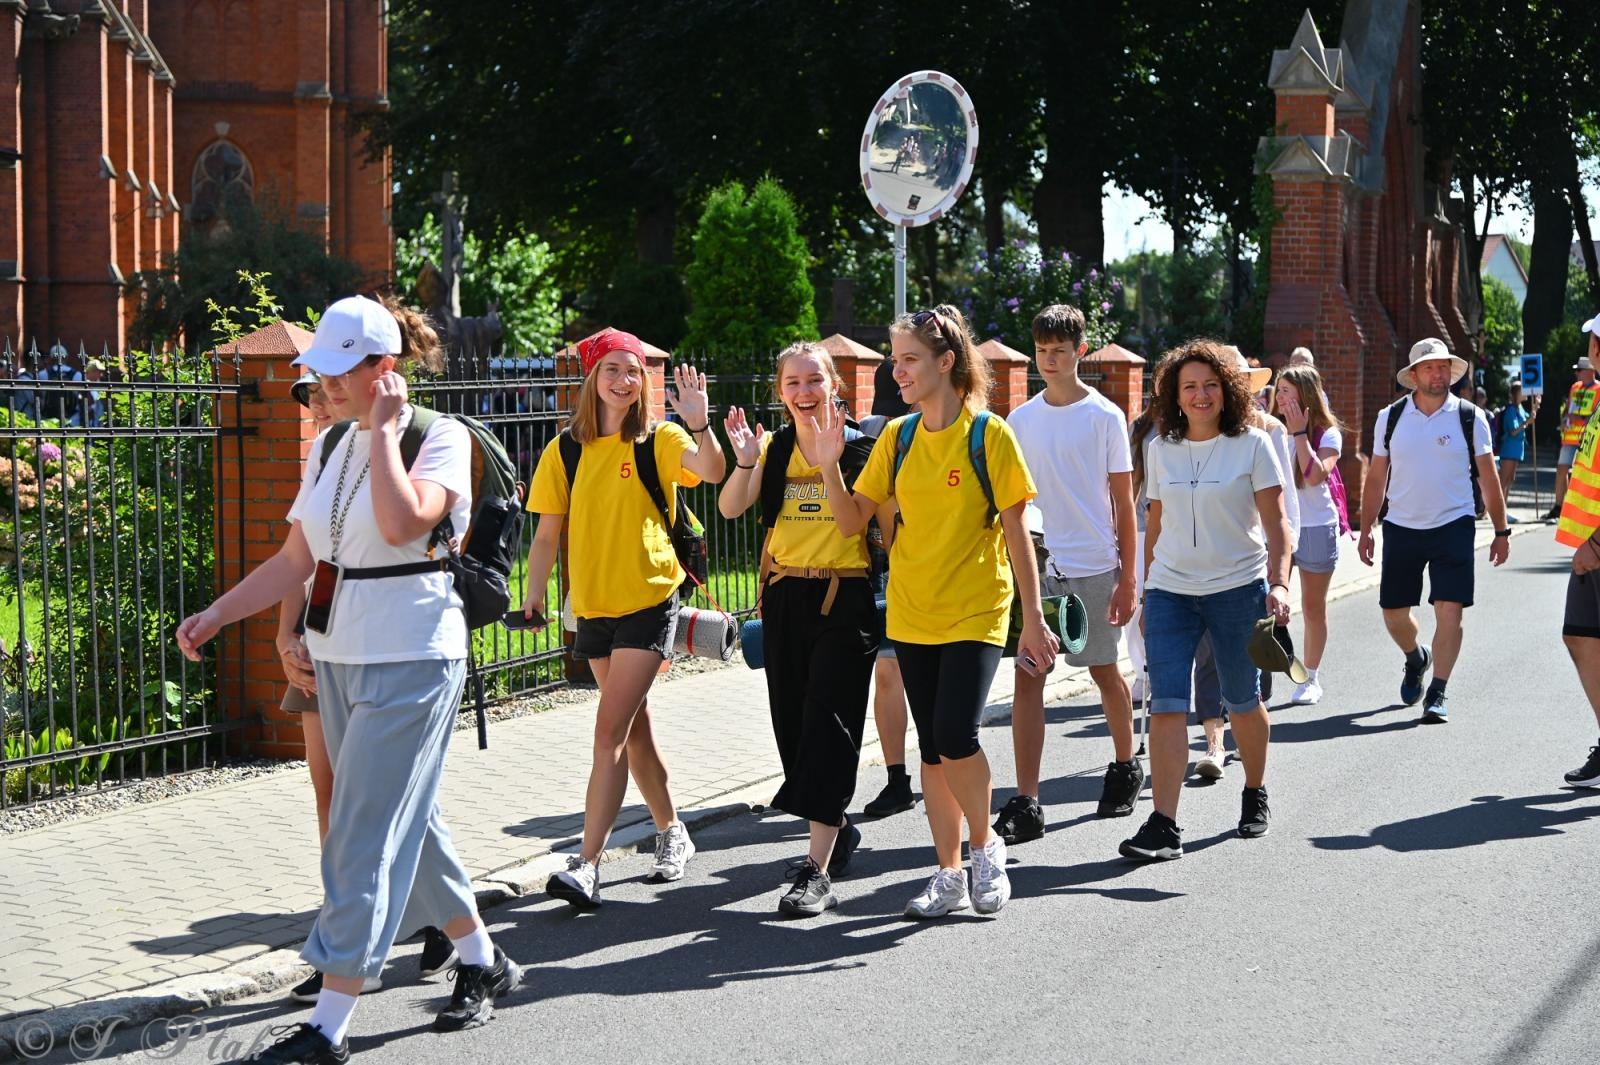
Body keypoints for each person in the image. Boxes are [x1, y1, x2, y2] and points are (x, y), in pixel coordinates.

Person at [175, 295, 521, 1063]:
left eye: (336, 373)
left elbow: (403, 527)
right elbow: (300, 558)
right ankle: (482, 960)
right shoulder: (328, 444)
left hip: (415, 654)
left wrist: (388, 433)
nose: (322, 386)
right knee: (409, 822)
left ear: (383, 370)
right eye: (317, 373)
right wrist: (219, 613)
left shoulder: (439, 437)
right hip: (338, 654)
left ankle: (328, 1023)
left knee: (359, 832)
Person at [815, 304, 1057, 918]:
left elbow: (1017, 533)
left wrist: (1033, 619)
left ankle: (985, 847)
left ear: (946, 363)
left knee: (955, 736)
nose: (897, 372)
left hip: (977, 609)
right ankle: (948, 872)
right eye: (894, 360)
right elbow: (850, 521)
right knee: (931, 749)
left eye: (909, 360)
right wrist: (826, 467)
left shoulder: (989, 435)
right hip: (912, 610)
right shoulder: (895, 438)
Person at [520, 328, 725, 909]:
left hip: (650, 601)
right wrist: (534, 596)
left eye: (632, 370)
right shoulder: (565, 449)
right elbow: (546, 534)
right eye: (611, 369)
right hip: (593, 608)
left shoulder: (658, 438)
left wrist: (702, 423)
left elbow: (708, 471)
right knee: (633, 730)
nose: (622, 380)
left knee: (608, 732)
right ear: (591, 378)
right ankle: (672, 831)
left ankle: (586, 864)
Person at [717, 342, 885, 916]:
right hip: (786, 593)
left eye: (814, 380)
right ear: (779, 391)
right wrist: (744, 461)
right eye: (792, 382)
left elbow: (850, 522)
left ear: (835, 384)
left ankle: (816, 869)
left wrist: (831, 457)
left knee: (829, 726)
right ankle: (837, 827)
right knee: (791, 726)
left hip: (844, 595)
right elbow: (730, 509)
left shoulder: (862, 445)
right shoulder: (772, 445)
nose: (804, 392)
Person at [1120, 339, 1292, 861]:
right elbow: (1154, 526)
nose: (1200, 395)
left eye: (1211, 385)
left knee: (1243, 701)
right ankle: (1164, 824)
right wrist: (1146, 592)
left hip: (1239, 590)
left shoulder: (1253, 445)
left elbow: (1277, 524)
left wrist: (1280, 584)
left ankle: (1254, 791)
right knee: (1169, 706)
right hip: (1172, 592)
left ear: (1228, 391)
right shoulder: (1159, 448)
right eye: (1190, 386)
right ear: (1174, 394)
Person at [993, 304, 1139, 847]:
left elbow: (1124, 502)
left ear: (1080, 351)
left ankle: (1125, 765)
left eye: (1059, 351)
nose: (1049, 360)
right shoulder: (1021, 421)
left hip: (1097, 565)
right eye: (1042, 351)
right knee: (1028, 679)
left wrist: (1128, 576)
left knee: (1103, 671)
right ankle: (1028, 800)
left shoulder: (1105, 417)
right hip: (1041, 568)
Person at [1358, 338, 1510, 723]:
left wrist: (1501, 529)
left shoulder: (1470, 416)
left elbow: (1489, 477)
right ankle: (1416, 657)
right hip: (1401, 525)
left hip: (1454, 523)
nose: (1438, 374)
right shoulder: (1390, 418)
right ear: (1414, 376)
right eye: (1429, 368)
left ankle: (1438, 691)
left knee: (1449, 610)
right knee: (1393, 613)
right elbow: (1377, 477)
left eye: (1444, 367)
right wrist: (1365, 528)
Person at [1272, 364, 1346, 706]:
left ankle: (1311, 678)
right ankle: (1263, 683)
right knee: (1269, 606)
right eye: (1278, 390)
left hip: (1317, 527)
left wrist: (1300, 433)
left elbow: (1315, 476)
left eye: (1287, 390)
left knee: (1313, 608)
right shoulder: (1271, 430)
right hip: (1281, 528)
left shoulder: (1327, 433)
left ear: (1305, 394)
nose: (1280, 396)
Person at [1553, 322, 1600, 787]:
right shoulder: (1597, 399)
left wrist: (1595, 545)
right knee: (1580, 637)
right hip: (1591, 551)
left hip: (1597, 549)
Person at [1550, 352, 1600, 519]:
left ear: (1589, 371)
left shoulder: (1598, 389)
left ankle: (1580, 509)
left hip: (1588, 440)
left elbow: (1596, 415)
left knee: (1582, 474)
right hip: (1569, 437)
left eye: (1579, 370)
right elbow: (1568, 409)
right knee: (1561, 470)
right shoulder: (1574, 387)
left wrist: (1579, 419)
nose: (1576, 373)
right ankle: (1559, 506)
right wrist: (1565, 419)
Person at [1497, 382, 1535, 510]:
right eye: (1522, 390)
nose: (1525, 393)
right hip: (1509, 449)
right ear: (1516, 394)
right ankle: (1495, 510)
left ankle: (1504, 508)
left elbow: (1529, 419)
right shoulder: (1511, 410)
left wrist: (1537, 406)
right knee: (1503, 481)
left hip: (1517, 451)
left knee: (1509, 480)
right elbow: (1513, 431)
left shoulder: (1520, 408)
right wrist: (1526, 423)